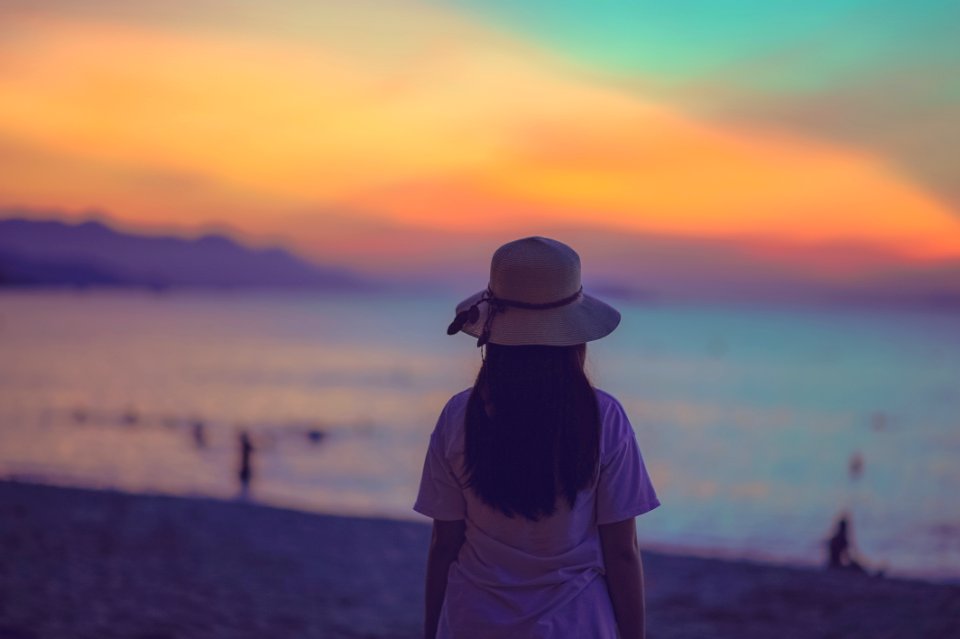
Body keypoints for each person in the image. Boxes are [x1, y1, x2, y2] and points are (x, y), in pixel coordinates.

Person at [414, 237, 660, 639]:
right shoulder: (603, 418)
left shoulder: (459, 416)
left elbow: (445, 542)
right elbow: (621, 551)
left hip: (473, 621)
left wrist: (431, 630)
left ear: (493, 333)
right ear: (574, 336)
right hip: (575, 623)